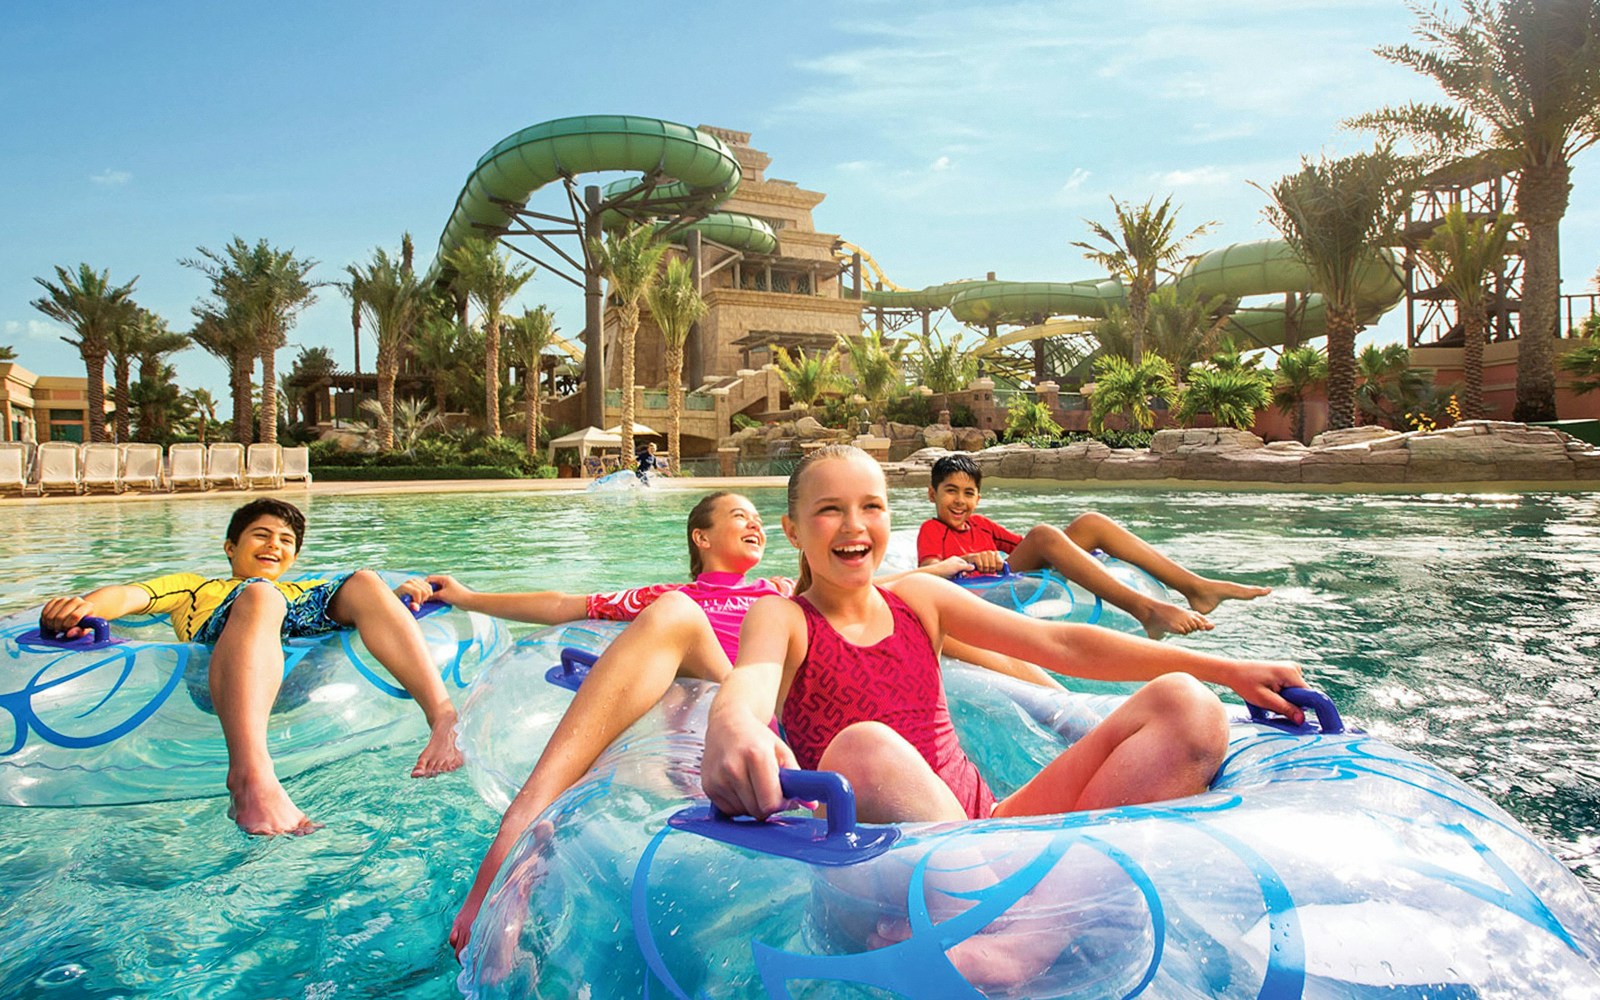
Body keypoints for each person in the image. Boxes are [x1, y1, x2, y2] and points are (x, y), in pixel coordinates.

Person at [701, 445, 1307, 984]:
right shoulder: (782, 619)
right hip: (880, 864)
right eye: (829, 510)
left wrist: (1224, 669)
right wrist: (732, 724)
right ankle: (1021, 923)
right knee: (865, 747)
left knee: (1188, 705)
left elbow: (1062, 646)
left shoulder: (920, 599)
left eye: (872, 507)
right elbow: (749, 681)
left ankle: (1022, 944)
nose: (854, 526)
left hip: (983, 827)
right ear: (793, 529)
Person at [432, 491, 1050, 957]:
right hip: (715, 679)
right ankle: (520, 841)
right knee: (676, 614)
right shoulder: (670, 594)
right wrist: (465, 597)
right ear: (701, 538)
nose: (753, 522)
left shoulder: (782, 594)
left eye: (759, 515)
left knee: (907, 618)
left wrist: (957, 572)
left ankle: (1057, 703)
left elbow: (884, 587)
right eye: (736, 515)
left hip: (763, 694)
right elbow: (562, 606)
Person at [38, 498, 461, 837]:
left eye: (285, 540)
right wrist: (86, 607)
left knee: (365, 581)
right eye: (261, 535)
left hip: (302, 682)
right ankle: (250, 777)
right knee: (261, 596)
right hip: (220, 678)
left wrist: (397, 594)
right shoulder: (195, 586)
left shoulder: (303, 589)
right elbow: (130, 596)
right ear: (230, 548)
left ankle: (443, 719)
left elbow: (372, 608)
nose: (274, 545)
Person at [917, 453, 1270, 638]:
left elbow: (1024, 547)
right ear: (933, 494)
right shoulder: (931, 529)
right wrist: (970, 558)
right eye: (951, 491)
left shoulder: (982, 524)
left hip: (1011, 578)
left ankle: (1195, 586)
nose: (960, 501)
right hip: (979, 593)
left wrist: (1068, 551)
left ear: (979, 498)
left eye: (969, 493)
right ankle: (1145, 611)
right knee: (1044, 533)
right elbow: (931, 574)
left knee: (1090, 523)